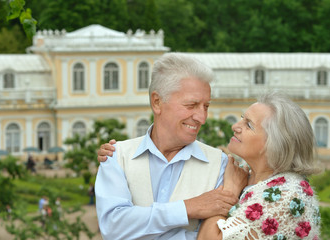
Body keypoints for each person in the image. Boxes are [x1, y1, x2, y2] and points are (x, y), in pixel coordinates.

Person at [95, 53, 240, 240]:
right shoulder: (115, 156)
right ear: (157, 102)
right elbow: (113, 228)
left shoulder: (221, 164)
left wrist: (135, 225)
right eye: (192, 105)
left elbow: (210, 236)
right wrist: (188, 208)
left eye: (206, 106)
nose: (202, 118)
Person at [196, 92, 321, 239]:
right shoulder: (247, 177)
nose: (235, 126)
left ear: (275, 143)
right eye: (242, 118)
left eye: (248, 125)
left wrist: (228, 193)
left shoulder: (284, 197)